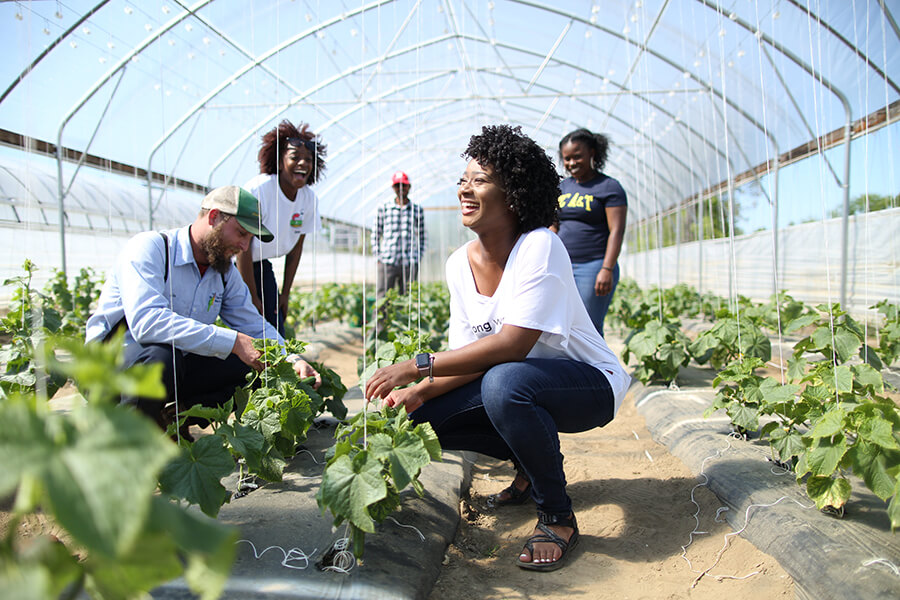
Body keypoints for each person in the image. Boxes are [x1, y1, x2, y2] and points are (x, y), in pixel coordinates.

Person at [365, 125, 630, 572]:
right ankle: (529, 465)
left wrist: (417, 367)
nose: (465, 189)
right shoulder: (458, 264)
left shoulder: (540, 247)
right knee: (421, 417)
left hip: (587, 385)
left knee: (506, 383)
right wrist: (419, 393)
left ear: (514, 194)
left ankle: (557, 516)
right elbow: (471, 355)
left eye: (480, 180)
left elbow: (512, 345)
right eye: (463, 179)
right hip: (518, 383)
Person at [86, 186, 320, 434]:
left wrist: (290, 358)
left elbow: (253, 324)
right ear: (214, 217)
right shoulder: (151, 248)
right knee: (162, 357)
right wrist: (233, 341)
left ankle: (175, 419)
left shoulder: (224, 272)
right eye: (241, 233)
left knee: (252, 362)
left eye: (250, 239)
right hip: (109, 369)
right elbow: (147, 323)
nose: (243, 247)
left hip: (175, 368)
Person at [236, 120, 326, 335]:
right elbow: (242, 247)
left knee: (275, 327)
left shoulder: (308, 199)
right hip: (232, 264)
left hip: (258, 265)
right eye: (295, 158)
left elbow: (295, 250)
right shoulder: (260, 190)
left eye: (308, 160)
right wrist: (252, 295)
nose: (303, 163)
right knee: (245, 325)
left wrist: (285, 293)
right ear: (278, 162)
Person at [552, 128, 627, 337]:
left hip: (593, 266)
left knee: (588, 328)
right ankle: (572, 369)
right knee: (563, 324)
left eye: (577, 157)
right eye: (566, 159)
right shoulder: (562, 188)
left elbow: (617, 231)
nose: (571, 163)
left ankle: (599, 369)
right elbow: (553, 225)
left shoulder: (609, 187)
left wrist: (606, 268)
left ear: (592, 153)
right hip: (563, 266)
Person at [372, 170, 426, 299]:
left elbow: (422, 235)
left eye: (404, 185)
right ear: (393, 188)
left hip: (409, 261)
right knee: (383, 297)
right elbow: (375, 233)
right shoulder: (384, 208)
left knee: (408, 297)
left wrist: (418, 256)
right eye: (397, 186)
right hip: (387, 261)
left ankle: (404, 320)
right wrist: (378, 257)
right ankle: (381, 320)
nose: (401, 189)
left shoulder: (416, 209)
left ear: (409, 187)